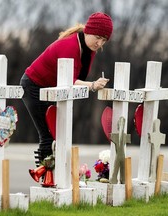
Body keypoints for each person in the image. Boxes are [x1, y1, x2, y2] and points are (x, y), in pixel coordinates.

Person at [20, 12, 113, 166]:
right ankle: (46, 176)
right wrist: (92, 85)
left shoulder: (89, 50)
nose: (100, 43)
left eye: (104, 40)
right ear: (88, 31)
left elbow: (76, 79)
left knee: (57, 133)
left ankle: (54, 173)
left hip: (50, 88)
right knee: (48, 135)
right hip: (33, 85)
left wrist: (89, 84)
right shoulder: (70, 46)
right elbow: (71, 81)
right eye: (98, 37)